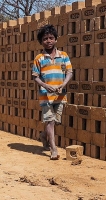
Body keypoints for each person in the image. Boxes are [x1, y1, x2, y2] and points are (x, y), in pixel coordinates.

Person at [32, 24, 73, 160]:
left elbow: (69, 72)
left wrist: (63, 84)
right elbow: (35, 76)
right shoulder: (39, 58)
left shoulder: (64, 56)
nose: (48, 41)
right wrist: (45, 85)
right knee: (50, 120)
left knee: (55, 121)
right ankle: (53, 149)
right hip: (45, 95)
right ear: (41, 41)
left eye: (51, 38)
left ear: (56, 39)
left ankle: (44, 136)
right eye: (45, 39)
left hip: (60, 95)